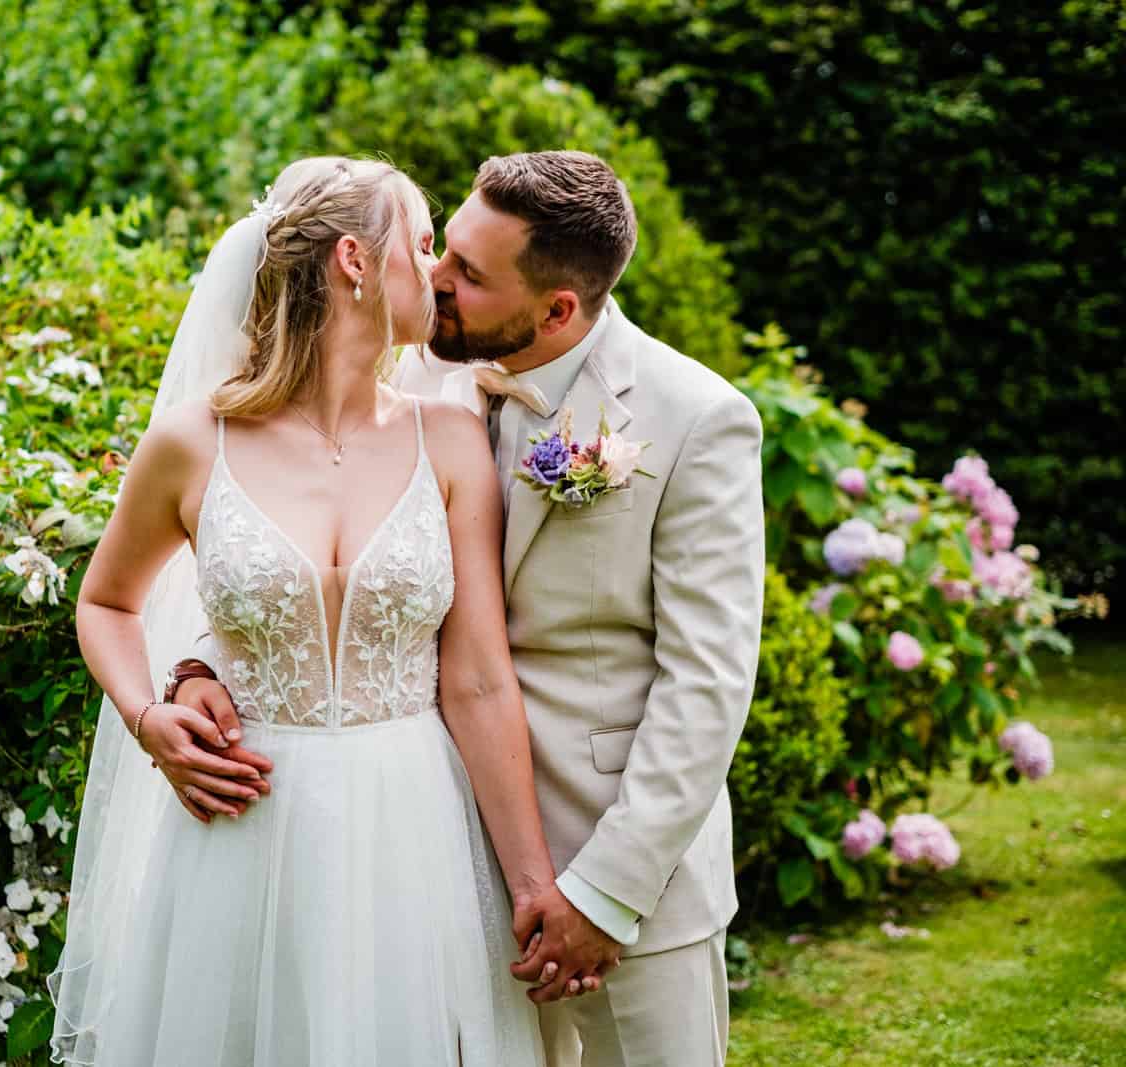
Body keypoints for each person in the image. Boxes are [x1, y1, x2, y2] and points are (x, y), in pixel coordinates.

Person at [174, 151, 766, 1066]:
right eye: (443, 248)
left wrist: (606, 892)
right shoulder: (418, 380)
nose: (435, 280)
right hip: (442, 867)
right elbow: (334, 558)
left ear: (557, 309)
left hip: (619, 875)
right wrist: (206, 660)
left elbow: (708, 686)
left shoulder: (695, 419)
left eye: (469, 275)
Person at [48, 156, 576, 1066]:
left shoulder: (450, 440)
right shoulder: (191, 442)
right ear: (354, 262)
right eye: (421, 243)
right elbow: (106, 601)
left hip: (411, 826)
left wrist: (534, 880)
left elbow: (481, 678)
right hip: (243, 826)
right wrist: (150, 715)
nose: (439, 270)